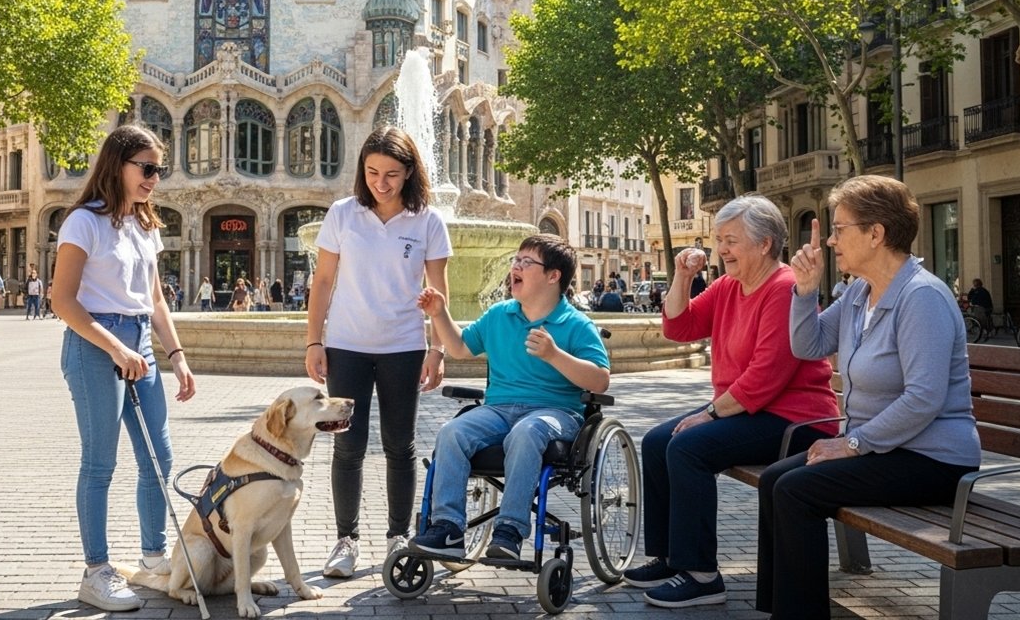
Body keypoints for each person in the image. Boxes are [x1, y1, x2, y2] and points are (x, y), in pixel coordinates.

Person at [761, 175, 980, 620]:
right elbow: (809, 345)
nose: (831, 241)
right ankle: (777, 609)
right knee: (774, 480)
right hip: (886, 450)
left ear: (876, 233)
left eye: (839, 229)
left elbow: (924, 398)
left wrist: (853, 444)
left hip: (933, 460)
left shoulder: (922, 297)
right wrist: (804, 291)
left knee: (796, 491)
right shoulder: (860, 292)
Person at [624, 194, 838, 609]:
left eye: (731, 240)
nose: (721, 249)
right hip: (750, 410)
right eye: (719, 240)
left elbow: (767, 375)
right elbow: (678, 328)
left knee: (688, 447)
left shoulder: (784, 288)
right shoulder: (728, 286)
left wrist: (708, 414)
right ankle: (670, 558)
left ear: (764, 243)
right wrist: (683, 277)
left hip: (796, 419)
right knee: (656, 441)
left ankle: (702, 575)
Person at [51, 124, 196, 613]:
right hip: (95, 345)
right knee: (100, 463)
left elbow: (155, 300)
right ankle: (96, 573)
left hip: (140, 344)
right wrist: (115, 348)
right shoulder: (83, 222)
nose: (154, 178)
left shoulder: (145, 224)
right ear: (118, 165)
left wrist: (177, 356)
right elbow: (62, 301)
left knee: (159, 456)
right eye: (147, 168)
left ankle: (153, 557)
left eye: (159, 169)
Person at [305, 125, 452, 578]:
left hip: (403, 346)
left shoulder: (428, 221)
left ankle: (398, 537)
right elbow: (323, 281)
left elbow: (438, 292)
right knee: (348, 445)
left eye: (391, 174)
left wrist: (437, 349)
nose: (380, 183)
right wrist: (314, 340)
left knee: (399, 445)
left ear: (409, 172)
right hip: (346, 345)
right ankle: (345, 541)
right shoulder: (343, 214)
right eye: (372, 172)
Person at [410, 234, 609, 560]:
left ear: (553, 276)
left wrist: (554, 355)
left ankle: (510, 530)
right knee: (452, 432)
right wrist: (439, 313)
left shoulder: (575, 324)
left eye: (526, 262)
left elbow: (600, 380)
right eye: (516, 260)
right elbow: (460, 347)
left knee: (527, 431)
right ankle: (448, 528)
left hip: (555, 413)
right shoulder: (499, 315)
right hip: (499, 410)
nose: (515, 266)